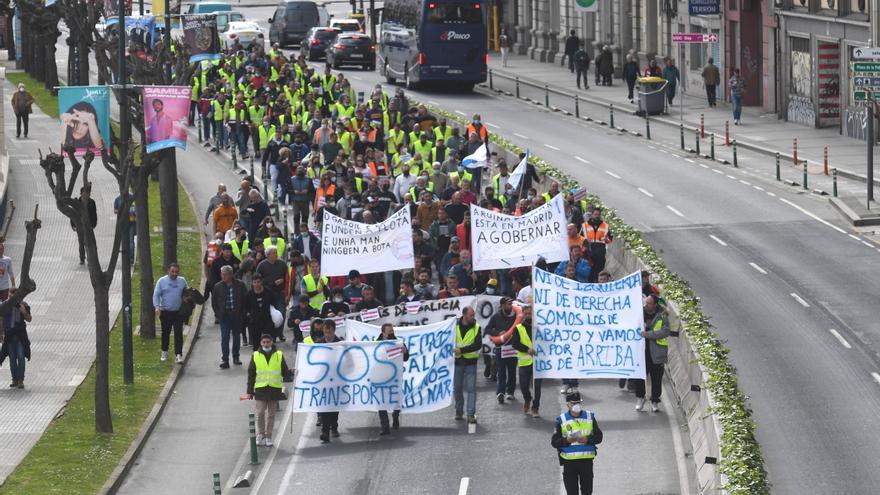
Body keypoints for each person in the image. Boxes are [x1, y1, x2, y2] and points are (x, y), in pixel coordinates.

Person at [551, 392, 603, 495]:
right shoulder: (561, 420)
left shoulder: (589, 417)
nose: (577, 405)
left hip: (586, 462)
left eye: (578, 402)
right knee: (572, 492)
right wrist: (566, 441)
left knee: (587, 492)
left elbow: (599, 437)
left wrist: (587, 439)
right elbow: (554, 442)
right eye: (574, 403)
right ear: (568, 405)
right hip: (569, 463)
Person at [246, 334, 294, 447]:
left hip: (274, 389)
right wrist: (249, 390)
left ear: (272, 342)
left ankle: (268, 436)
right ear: (261, 343)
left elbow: (284, 371)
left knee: (271, 414)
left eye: (268, 342)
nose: (266, 344)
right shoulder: (256, 355)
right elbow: (251, 374)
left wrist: (291, 372)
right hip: (260, 388)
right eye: (264, 342)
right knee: (260, 413)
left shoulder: (279, 355)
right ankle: (261, 434)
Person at [634, 294, 669, 412]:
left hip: (657, 353)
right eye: (645, 302)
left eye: (648, 303)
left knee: (656, 379)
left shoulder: (662, 315)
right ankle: (640, 397)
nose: (646, 305)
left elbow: (665, 332)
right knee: (639, 377)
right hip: (641, 352)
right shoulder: (639, 313)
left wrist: (648, 334)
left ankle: (655, 401)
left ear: (655, 305)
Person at [506, 305, 541, 417]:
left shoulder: (539, 327)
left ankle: (535, 408)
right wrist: (527, 349)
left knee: (537, 388)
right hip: (524, 363)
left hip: (538, 363)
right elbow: (515, 343)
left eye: (529, 313)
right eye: (526, 314)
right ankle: (527, 399)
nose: (528, 316)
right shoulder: (519, 328)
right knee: (523, 386)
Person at [212, 265, 248, 369]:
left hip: (237, 315)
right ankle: (225, 359)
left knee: (236, 337)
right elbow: (214, 302)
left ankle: (236, 357)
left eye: (225, 274)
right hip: (224, 316)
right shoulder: (217, 286)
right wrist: (218, 314)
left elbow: (245, 300)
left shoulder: (240, 285)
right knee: (225, 337)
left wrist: (243, 313)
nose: (223, 276)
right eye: (222, 274)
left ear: (231, 275)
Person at [376, 323, 409, 434]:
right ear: (383, 332)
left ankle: (395, 416)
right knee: (381, 401)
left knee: (395, 399)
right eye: (389, 331)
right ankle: (385, 426)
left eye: (392, 331)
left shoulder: (399, 342)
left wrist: (405, 351)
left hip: (394, 377)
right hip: (380, 377)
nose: (391, 333)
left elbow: (406, 358)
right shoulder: (375, 342)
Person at [484, 296, 519, 403]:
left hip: (512, 348)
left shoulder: (516, 316)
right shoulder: (496, 317)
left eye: (511, 304)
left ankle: (510, 392)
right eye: (509, 304)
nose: (511, 307)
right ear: (503, 305)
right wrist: (498, 333)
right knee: (501, 372)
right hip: (500, 348)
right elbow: (487, 329)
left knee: (512, 372)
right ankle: (500, 392)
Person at [153, 263, 188, 364]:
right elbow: (156, 295)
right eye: (172, 271)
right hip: (166, 311)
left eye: (176, 272)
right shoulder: (162, 281)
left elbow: (186, 292)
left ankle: (178, 354)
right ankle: (164, 351)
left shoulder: (182, 281)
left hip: (178, 312)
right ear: (168, 271)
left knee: (178, 333)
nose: (174, 274)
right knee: (165, 333)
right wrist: (157, 307)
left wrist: (186, 299)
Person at [317, 319, 343, 443]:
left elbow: (348, 362)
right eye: (325, 332)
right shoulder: (318, 343)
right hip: (323, 380)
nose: (327, 335)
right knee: (324, 406)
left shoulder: (340, 344)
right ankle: (325, 431)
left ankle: (334, 427)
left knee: (334, 406)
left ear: (334, 331)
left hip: (337, 380)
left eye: (329, 332)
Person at [453, 307, 481, 424]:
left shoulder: (477, 327)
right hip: (458, 362)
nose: (473, 317)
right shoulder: (454, 326)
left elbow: (478, 345)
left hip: (470, 363)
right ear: (464, 315)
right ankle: (459, 410)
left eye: (473, 315)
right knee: (457, 388)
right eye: (471, 315)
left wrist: (462, 350)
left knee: (471, 389)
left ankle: (470, 414)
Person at [0, 293, 32, 388]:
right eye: (10, 297)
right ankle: (15, 379)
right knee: (12, 359)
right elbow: (1, 319)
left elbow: (29, 319)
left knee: (21, 357)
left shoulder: (23, 304)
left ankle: (20, 380)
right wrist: (0, 333)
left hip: (20, 336)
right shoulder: (5, 306)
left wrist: (22, 310)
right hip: (9, 336)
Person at [244, 274, 274, 348]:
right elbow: (246, 307)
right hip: (255, 321)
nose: (257, 284)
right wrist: (249, 315)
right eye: (255, 282)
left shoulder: (268, 292)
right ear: (252, 283)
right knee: (256, 343)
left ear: (261, 282)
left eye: (258, 282)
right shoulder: (249, 294)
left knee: (268, 340)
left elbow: (274, 303)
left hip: (267, 319)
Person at [582, 208, 611, 283]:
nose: (597, 216)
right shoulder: (585, 225)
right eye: (595, 214)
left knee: (599, 273)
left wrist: (605, 238)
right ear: (592, 215)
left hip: (600, 253)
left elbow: (610, 240)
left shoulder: (605, 226)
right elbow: (581, 238)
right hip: (589, 253)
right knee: (589, 273)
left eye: (598, 215)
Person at [71, 187, 98, 265]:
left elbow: (94, 214)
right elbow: (72, 214)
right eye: (85, 193)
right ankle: (82, 258)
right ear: (81, 193)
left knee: (91, 243)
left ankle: (91, 259)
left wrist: (93, 224)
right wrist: (73, 225)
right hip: (80, 225)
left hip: (89, 226)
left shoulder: (92, 202)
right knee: (81, 242)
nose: (87, 195)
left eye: (88, 193)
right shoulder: (77, 202)